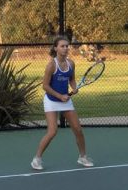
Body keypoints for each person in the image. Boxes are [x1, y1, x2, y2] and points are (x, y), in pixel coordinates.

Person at [31, 35, 93, 170]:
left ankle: (82, 157)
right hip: (52, 100)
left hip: (65, 100)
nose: (65, 48)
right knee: (52, 131)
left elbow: (71, 79)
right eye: (62, 46)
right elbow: (45, 86)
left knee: (78, 129)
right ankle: (37, 159)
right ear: (56, 48)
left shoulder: (71, 63)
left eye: (67, 46)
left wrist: (74, 87)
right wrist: (60, 96)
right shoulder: (51, 65)